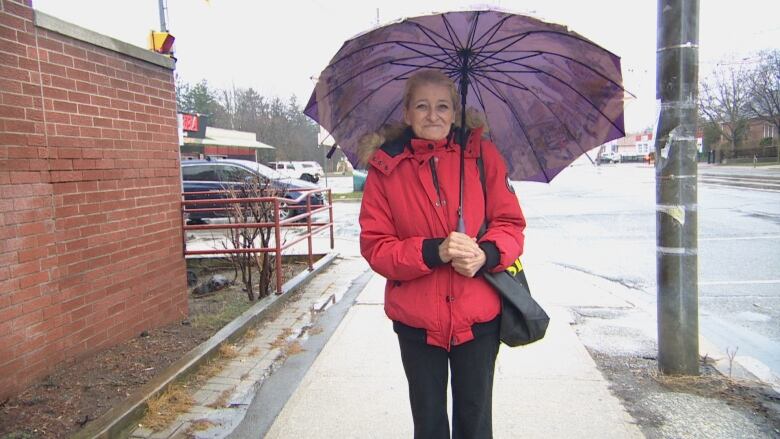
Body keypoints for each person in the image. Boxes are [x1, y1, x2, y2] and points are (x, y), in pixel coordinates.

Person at [358, 69, 526, 438]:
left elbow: (511, 223)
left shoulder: (482, 155)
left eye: (442, 106)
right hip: (418, 322)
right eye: (422, 105)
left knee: (475, 422)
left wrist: (486, 253)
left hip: (478, 317)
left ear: (455, 111)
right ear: (406, 112)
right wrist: (435, 251)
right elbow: (375, 246)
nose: (433, 115)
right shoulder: (385, 170)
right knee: (429, 423)